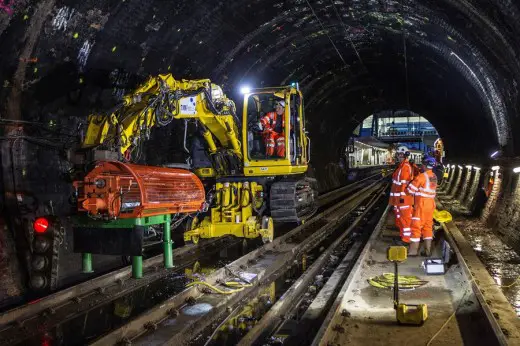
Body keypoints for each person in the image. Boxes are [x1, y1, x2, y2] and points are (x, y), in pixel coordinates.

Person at [406, 156, 438, 256]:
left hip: (421, 206)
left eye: (422, 164)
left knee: (416, 227)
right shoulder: (434, 176)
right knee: (428, 227)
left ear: (424, 165)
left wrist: (408, 184)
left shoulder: (421, 177)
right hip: (431, 205)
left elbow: (409, 191)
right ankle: (427, 251)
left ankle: (413, 252)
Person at [389, 151, 414, 244]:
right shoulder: (401, 166)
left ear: (404, 156)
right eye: (398, 155)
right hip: (399, 199)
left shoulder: (405, 167)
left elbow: (403, 184)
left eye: (400, 155)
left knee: (405, 218)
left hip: (403, 199)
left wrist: (401, 198)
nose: (398, 157)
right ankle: (402, 236)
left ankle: (406, 240)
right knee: (400, 218)